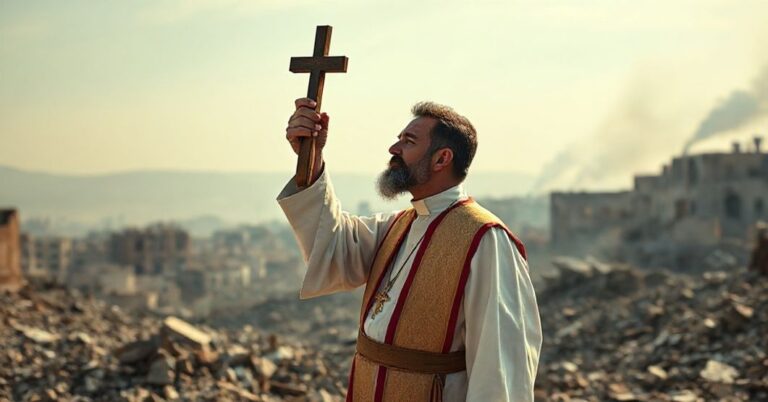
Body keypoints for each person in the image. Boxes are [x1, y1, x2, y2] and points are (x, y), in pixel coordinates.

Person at [277, 98, 542, 402]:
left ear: (441, 159)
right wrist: (310, 157)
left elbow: (501, 368)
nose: (394, 149)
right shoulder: (399, 225)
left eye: (408, 141)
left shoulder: (485, 240)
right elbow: (334, 247)